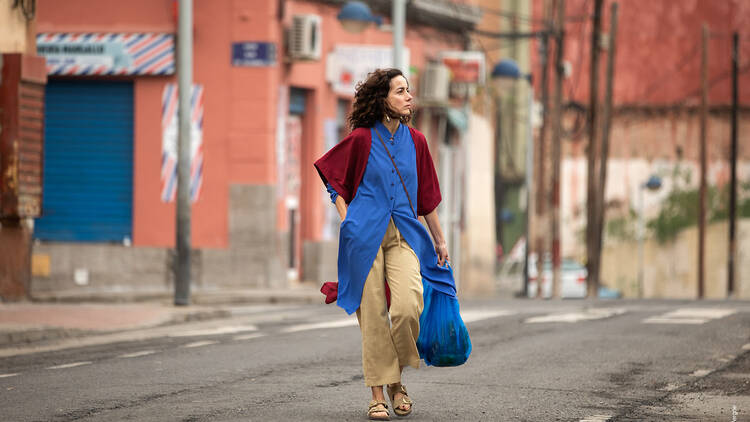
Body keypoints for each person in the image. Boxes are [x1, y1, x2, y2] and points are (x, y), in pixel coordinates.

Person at [314, 68, 457, 420]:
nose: (409, 97)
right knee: (374, 316)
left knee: (409, 306)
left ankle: (395, 381)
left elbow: (426, 199)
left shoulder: (418, 142)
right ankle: (380, 393)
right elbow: (335, 180)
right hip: (364, 236)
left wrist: (440, 240)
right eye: (400, 91)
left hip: (404, 235)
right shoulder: (362, 139)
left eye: (408, 90)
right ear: (382, 100)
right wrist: (346, 218)